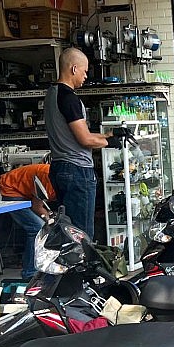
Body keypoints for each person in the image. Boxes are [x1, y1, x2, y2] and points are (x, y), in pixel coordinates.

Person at [45, 48, 114, 239]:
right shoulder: (69, 98)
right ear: (74, 68)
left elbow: (75, 134)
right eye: (84, 71)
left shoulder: (52, 94)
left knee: (68, 232)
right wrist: (110, 142)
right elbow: (84, 139)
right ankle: (83, 259)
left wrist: (108, 134)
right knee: (81, 235)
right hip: (77, 171)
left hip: (59, 168)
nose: (85, 76)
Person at [0, 163, 55, 279]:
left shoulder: (56, 178)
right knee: (37, 228)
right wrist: (49, 220)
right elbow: (37, 206)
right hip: (9, 189)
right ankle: (30, 272)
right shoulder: (50, 180)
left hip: (23, 190)